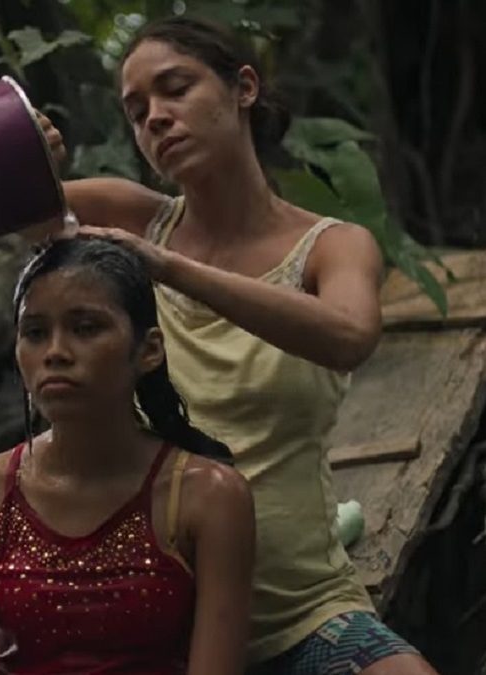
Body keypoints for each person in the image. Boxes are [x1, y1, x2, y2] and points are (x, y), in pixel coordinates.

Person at [33, 14, 438, 675]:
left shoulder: (331, 246)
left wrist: (166, 268)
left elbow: (348, 336)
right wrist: (22, 163)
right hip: (153, 621)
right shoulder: (133, 214)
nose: (155, 119)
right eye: (135, 111)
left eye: (174, 89)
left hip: (301, 614)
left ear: (242, 87)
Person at [0, 236, 256, 674]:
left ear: (148, 350)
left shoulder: (209, 496)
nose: (56, 353)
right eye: (35, 333)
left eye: (86, 328)